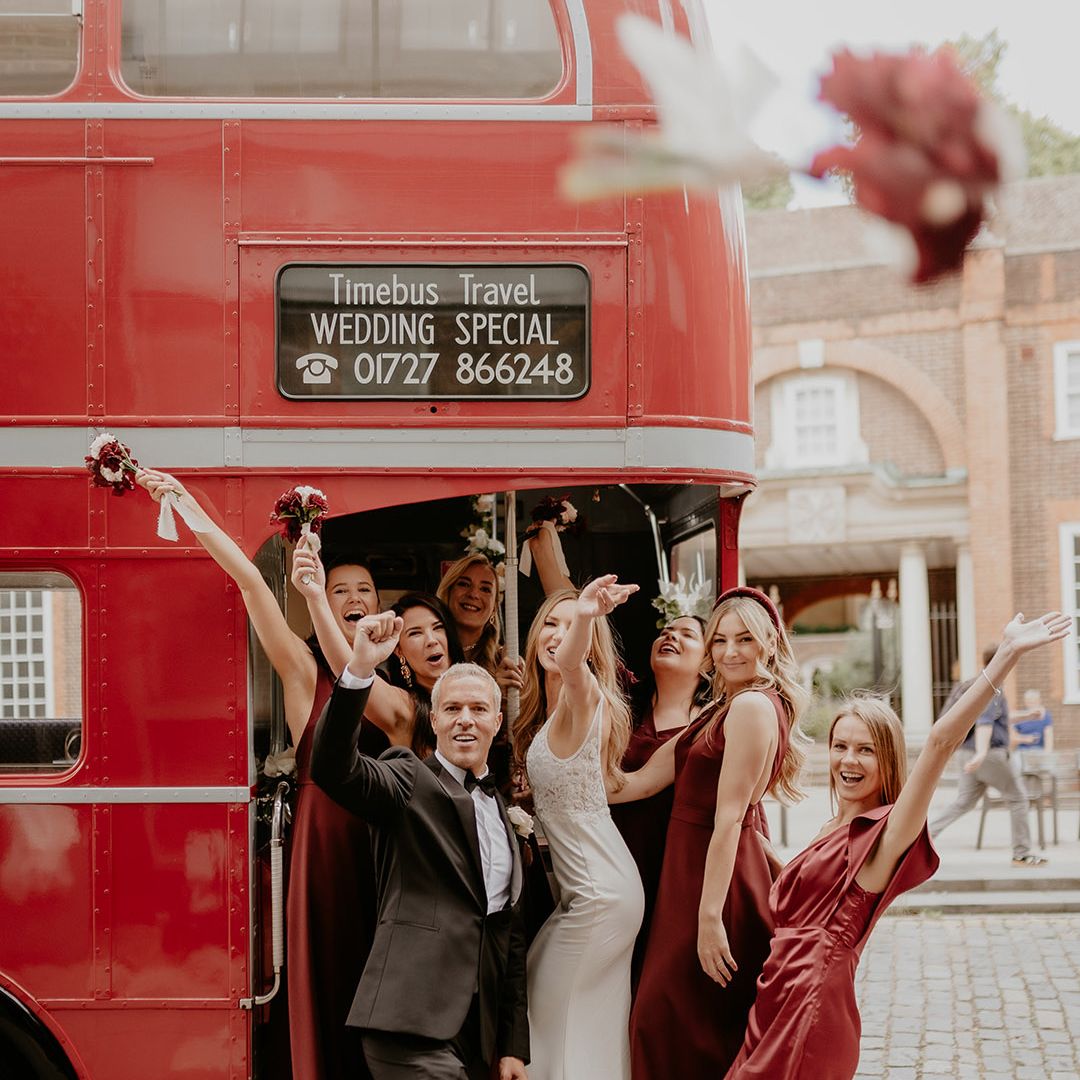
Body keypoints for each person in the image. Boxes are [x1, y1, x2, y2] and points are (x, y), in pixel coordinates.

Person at [725, 610, 1070, 1080]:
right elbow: (817, 899)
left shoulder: (887, 832)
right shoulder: (832, 825)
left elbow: (941, 741)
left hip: (812, 1003)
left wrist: (1005, 655)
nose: (848, 760)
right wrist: (759, 846)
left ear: (887, 759)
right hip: (774, 996)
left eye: (865, 750)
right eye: (841, 746)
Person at [136, 469, 383, 1080]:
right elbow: (249, 581)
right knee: (331, 973)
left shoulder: (394, 686)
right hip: (326, 842)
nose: (353, 597)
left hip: (387, 845)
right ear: (321, 596)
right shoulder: (303, 669)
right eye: (341, 588)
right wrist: (185, 502)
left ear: (379, 606)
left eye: (365, 589)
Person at [310, 612, 529, 1080]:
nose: (465, 720)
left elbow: (507, 936)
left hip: (475, 1035)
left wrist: (512, 1046)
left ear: (496, 721)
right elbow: (332, 767)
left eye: (477, 709)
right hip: (408, 1024)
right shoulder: (408, 778)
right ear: (435, 719)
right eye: (452, 709)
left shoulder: (500, 807)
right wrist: (360, 670)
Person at [610, 586, 808, 1078]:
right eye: (720, 640)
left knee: (668, 1022)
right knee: (673, 1024)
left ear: (769, 643)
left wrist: (709, 919)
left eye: (744, 639)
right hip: (689, 877)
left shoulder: (752, 706)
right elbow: (634, 784)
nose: (730, 651)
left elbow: (731, 818)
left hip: (713, 885)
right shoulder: (723, 708)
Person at [512, 575, 644, 1080]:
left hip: (597, 895)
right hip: (596, 891)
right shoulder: (548, 716)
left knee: (542, 1019)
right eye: (551, 623)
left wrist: (586, 615)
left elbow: (571, 664)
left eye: (571, 627)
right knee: (584, 1026)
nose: (557, 635)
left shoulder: (582, 695)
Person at [610, 615, 709, 990]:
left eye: (687, 634)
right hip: (619, 857)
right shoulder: (625, 700)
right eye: (665, 631)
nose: (670, 635)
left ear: (708, 660)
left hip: (676, 868)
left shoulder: (711, 724)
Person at [293, 546, 463, 758]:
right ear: (399, 650)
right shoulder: (404, 708)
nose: (431, 640)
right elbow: (350, 671)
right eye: (415, 633)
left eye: (438, 628)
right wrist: (316, 599)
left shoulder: (480, 687)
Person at [928, 644, 1048, 867]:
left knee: (964, 802)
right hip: (988, 755)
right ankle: (1021, 853)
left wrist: (1026, 715)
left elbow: (993, 717)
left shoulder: (970, 684)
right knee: (1018, 797)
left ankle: (921, 838)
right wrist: (982, 753)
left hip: (965, 753)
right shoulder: (993, 684)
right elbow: (985, 722)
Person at [1010, 688, 1054, 772]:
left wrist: (1047, 754)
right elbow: (1012, 739)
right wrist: (1025, 739)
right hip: (1022, 751)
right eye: (1029, 701)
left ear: (1039, 701)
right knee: (1016, 765)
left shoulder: (1045, 716)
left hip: (1039, 751)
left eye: (1034, 701)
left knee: (1047, 767)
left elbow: (1049, 737)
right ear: (1025, 702)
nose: (1032, 704)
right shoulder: (1021, 716)